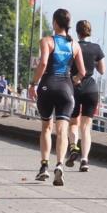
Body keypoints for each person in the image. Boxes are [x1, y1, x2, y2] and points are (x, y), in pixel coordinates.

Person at [28, 9, 85, 186]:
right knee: (62, 130)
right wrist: (73, 81)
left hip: (48, 85)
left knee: (46, 127)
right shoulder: (74, 45)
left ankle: (44, 166)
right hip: (66, 88)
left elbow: (43, 63)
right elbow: (82, 72)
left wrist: (33, 83)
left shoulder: (47, 41)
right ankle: (59, 164)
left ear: (54, 23)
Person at [65, 20, 106, 172]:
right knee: (86, 127)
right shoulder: (96, 48)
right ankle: (84, 159)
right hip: (91, 90)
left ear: (77, 32)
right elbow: (102, 70)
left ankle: (73, 148)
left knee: (73, 123)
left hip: (74, 88)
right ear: (90, 31)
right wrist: (92, 63)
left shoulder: (73, 46)